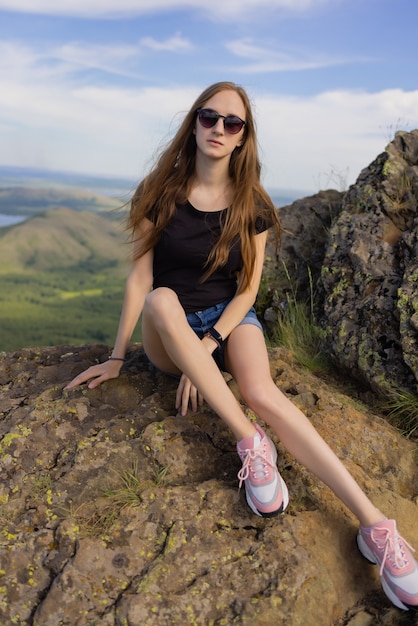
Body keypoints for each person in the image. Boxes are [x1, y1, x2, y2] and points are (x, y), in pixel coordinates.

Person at [64, 81, 418, 611]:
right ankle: (251, 443)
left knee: (263, 391)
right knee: (162, 297)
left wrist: (209, 345)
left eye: (233, 123)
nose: (219, 129)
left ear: (242, 137)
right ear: (195, 123)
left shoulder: (252, 204)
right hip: (168, 329)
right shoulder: (158, 192)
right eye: (210, 117)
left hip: (228, 321)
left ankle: (377, 528)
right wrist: (118, 356)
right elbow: (140, 281)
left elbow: (248, 288)